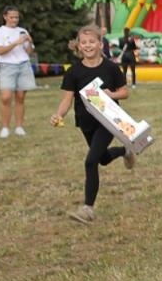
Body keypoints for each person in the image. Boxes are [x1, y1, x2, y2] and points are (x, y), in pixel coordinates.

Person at [49, 26, 134, 224]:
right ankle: (125, 151)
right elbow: (66, 100)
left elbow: (124, 92)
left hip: (109, 122)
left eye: (91, 41)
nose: (87, 45)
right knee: (102, 159)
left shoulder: (111, 67)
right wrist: (58, 115)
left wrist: (110, 95)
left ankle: (88, 209)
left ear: (99, 43)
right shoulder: (74, 72)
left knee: (90, 161)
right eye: (83, 42)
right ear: (78, 45)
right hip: (86, 124)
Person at [0, 5, 35, 138]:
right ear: (5, 17)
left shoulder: (22, 31)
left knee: (20, 98)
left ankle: (19, 127)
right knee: (5, 98)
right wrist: (16, 43)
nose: (14, 20)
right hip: (7, 66)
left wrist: (29, 42)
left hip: (23, 65)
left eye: (16, 17)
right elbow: (0, 51)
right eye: (11, 17)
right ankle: (5, 128)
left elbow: (29, 52)